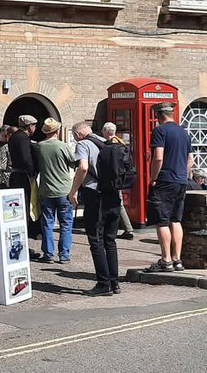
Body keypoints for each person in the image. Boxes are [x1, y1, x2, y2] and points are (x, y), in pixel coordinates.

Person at [68, 121, 122, 295]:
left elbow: (83, 167)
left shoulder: (83, 144)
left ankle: (103, 284)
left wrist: (73, 191)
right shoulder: (107, 141)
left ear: (77, 134)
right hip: (113, 194)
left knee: (96, 239)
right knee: (110, 240)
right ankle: (114, 283)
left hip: (95, 195)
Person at [144, 104, 193, 273]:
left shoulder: (160, 131)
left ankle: (165, 260)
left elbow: (158, 157)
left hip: (164, 180)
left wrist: (153, 178)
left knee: (162, 221)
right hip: (180, 181)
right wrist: (183, 177)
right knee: (176, 220)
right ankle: (177, 260)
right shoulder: (184, 132)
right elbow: (190, 160)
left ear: (158, 116)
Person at [35, 118, 75, 263]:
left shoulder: (39, 146)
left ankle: (48, 254)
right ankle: (64, 255)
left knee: (47, 224)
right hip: (64, 189)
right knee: (65, 224)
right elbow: (73, 162)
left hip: (46, 190)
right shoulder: (62, 146)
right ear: (57, 131)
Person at [99, 122, 134, 239]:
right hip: (122, 178)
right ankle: (126, 228)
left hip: (113, 179)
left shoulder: (109, 146)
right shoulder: (122, 143)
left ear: (105, 132)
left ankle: (128, 229)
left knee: (119, 204)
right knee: (119, 203)